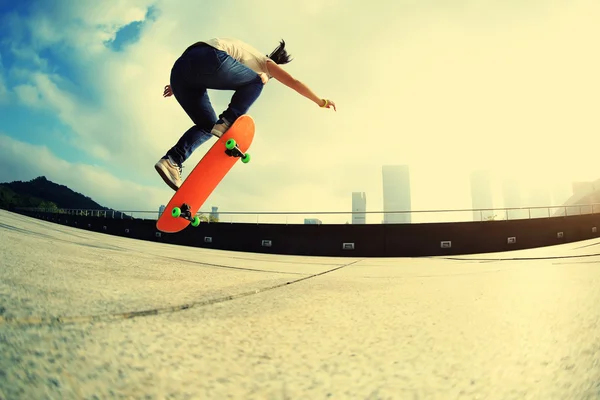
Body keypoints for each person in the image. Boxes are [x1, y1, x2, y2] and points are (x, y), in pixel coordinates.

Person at [155, 37, 336, 191]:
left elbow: (198, 67)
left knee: (207, 125)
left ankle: (172, 160)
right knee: (257, 82)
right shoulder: (264, 63)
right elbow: (294, 82)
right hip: (209, 57)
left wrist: (178, 86)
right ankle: (226, 121)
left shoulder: (243, 57)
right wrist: (321, 101)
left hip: (181, 71)